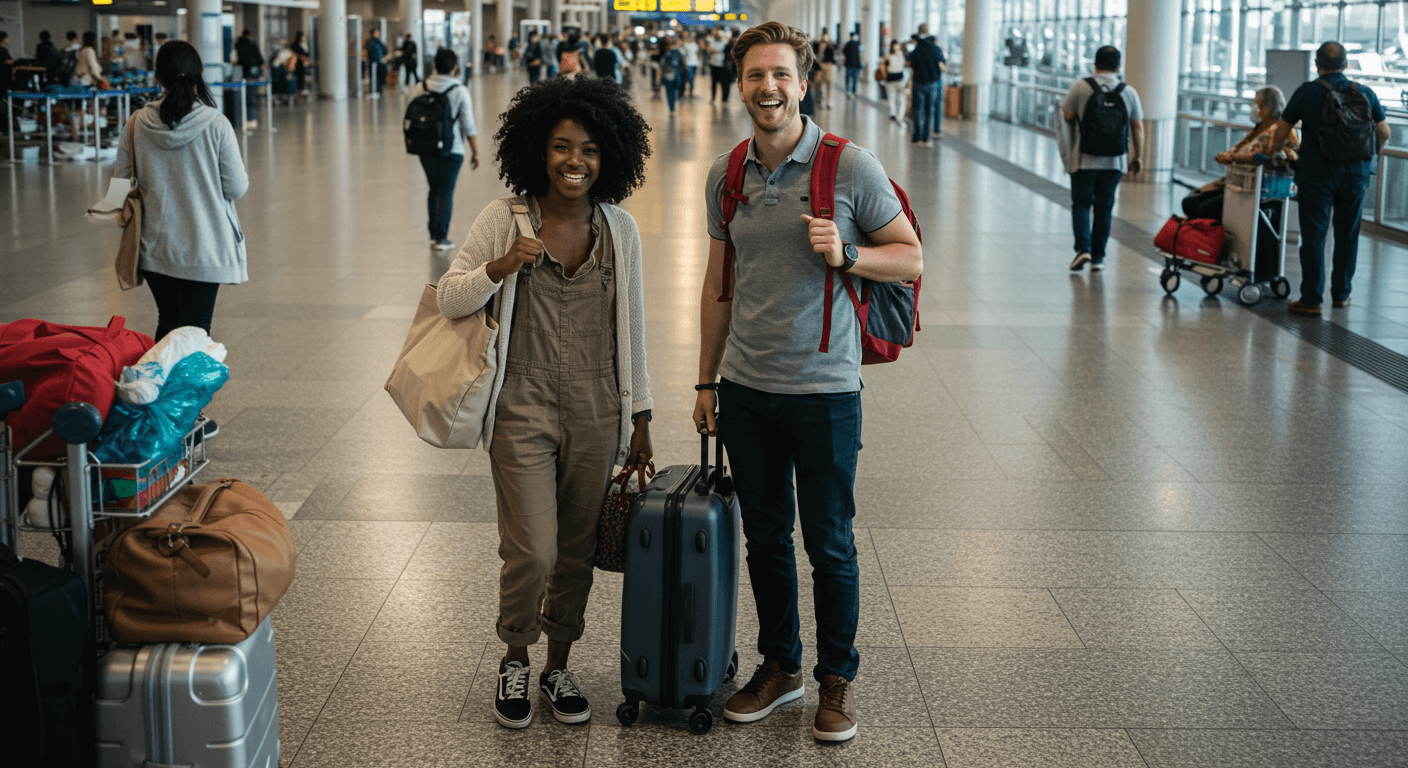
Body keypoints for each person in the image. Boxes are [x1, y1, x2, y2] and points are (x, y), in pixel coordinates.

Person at [697, 20, 922, 744]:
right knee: (765, 536)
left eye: (782, 75)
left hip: (825, 390)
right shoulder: (726, 175)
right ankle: (780, 665)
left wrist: (848, 251)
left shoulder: (848, 166)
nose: (769, 87)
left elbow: (910, 258)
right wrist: (706, 382)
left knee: (829, 542)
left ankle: (836, 678)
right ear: (742, 83)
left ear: (805, 81)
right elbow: (716, 287)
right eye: (756, 74)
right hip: (746, 389)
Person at [436, 74, 654, 731]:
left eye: (589, 149)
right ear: (538, 150)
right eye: (561, 146)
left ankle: (559, 666)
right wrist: (500, 267)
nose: (575, 161)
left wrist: (641, 416)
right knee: (530, 549)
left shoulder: (619, 229)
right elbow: (449, 297)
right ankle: (515, 654)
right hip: (521, 405)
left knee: (576, 550)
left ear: (608, 155)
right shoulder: (502, 218)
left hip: (597, 407)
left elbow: (634, 328)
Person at [113, 40, 248, 344]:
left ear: (158, 77)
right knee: (196, 332)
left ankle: (160, 386)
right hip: (205, 246)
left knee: (169, 323)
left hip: (155, 248)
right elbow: (236, 187)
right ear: (199, 75)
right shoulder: (216, 124)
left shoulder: (136, 123)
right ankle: (183, 391)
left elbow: (119, 184)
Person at [1267, 41, 1391, 315]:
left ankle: (1311, 298)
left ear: (1317, 64)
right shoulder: (1365, 93)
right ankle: (1341, 295)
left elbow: (1281, 130)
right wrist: (1368, 157)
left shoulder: (1307, 91)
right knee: (1348, 235)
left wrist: (1276, 152)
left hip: (1317, 174)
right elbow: (1384, 132)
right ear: (1346, 64)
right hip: (1355, 174)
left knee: (1314, 235)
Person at [1058, 46, 1143, 273]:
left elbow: (1066, 114)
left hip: (1084, 158)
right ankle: (1098, 258)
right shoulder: (1129, 92)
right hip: (1115, 161)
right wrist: (1138, 156)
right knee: (1104, 208)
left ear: (1094, 64)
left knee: (1082, 204)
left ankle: (1082, 249)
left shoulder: (1081, 86)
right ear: (1118, 66)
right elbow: (1137, 126)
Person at [1181, 86, 1299, 220]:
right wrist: (1229, 157)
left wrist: (1232, 157)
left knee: (1203, 209)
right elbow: (1240, 150)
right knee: (1189, 203)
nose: (1254, 108)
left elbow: (1273, 158)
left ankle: (1226, 236)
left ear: (1267, 107)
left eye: (1257, 104)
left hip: (1258, 188)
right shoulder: (1257, 129)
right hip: (1236, 182)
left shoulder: (1282, 131)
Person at [410, 48, 480, 251]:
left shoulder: (420, 87)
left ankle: (434, 233)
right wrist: (476, 152)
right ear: (455, 67)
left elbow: (412, 114)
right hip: (453, 149)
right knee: (446, 192)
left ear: (434, 66)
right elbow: (468, 125)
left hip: (426, 147)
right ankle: (442, 238)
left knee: (434, 189)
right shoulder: (459, 90)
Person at [905, 25, 944, 144]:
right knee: (929, 111)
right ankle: (927, 137)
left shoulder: (917, 49)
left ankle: (917, 136)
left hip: (918, 83)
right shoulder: (936, 48)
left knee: (917, 110)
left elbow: (907, 62)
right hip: (932, 83)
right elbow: (942, 64)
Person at [233, 30, 264, 126]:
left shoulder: (238, 44)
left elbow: (236, 60)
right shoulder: (252, 43)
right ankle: (251, 119)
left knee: (245, 96)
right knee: (251, 95)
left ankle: (247, 118)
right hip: (253, 71)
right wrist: (261, 67)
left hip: (242, 72)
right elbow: (259, 57)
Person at [883, 40, 908, 124]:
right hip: (890, 79)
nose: (896, 47)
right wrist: (884, 74)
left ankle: (900, 115)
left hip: (900, 79)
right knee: (891, 97)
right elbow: (884, 65)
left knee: (901, 98)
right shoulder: (888, 55)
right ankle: (892, 113)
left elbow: (903, 64)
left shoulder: (900, 54)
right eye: (894, 45)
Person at [661, 36, 685, 115]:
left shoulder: (668, 53)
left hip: (669, 75)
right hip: (675, 75)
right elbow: (682, 64)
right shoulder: (677, 52)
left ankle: (672, 108)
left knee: (669, 92)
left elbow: (663, 65)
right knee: (673, 92)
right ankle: (672, 107)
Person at [814, 30, 835, 108]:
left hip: (827, 68)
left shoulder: (830, 48)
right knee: (820, 85)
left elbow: (832, 60)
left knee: (828, 84)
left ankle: (828, 101)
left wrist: (826, 64)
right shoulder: (817, 48)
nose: (822, 46)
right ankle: (821, 100)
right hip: (820, 69)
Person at [364, 28, 387, 98]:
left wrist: (383, 58)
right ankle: (374, 90)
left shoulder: (379, 42)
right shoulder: (370, 42)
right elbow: (370, 53)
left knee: (381, 77)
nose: (378, 34)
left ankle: (379, 90)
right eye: (376, 32)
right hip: (374, 63)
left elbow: (384, 50)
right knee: (374, 77)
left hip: (381, 63)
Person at [708, 28, 729, 103]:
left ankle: (724, 99)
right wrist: (717, 51)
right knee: (714, 83)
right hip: (713, 64)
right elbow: (710, 50)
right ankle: (713, 98)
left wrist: (715, 51)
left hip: (722, 65)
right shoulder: (712, 41)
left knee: (723, 82)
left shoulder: (725, 42)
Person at [681, 32, 701, 97]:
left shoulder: (695, 45)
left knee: (692, 78)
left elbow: (697, 53)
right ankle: (686, 90)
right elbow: (683, 45)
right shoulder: (687, 45)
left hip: (694, 63)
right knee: (690, 77)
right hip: (688, 63)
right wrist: (684, 37)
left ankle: (691, 91)